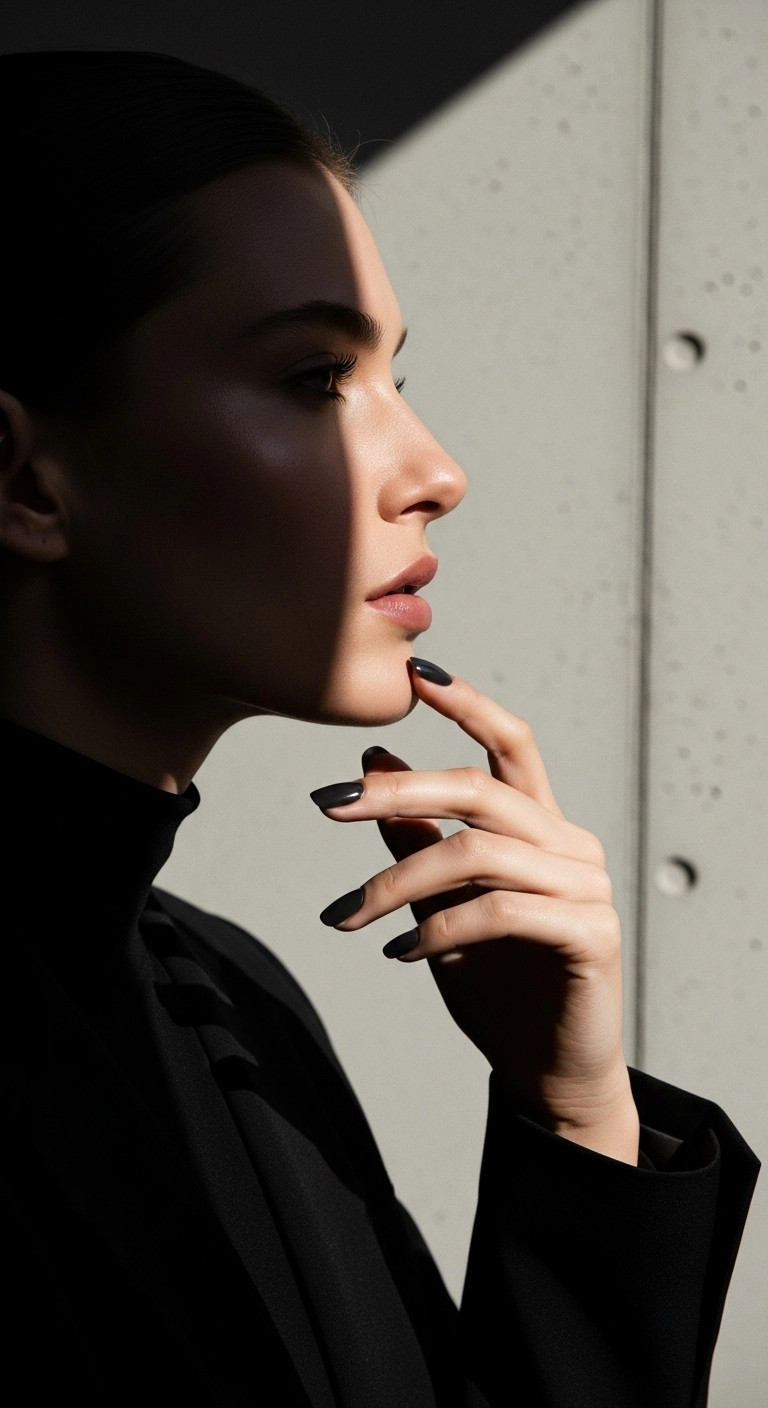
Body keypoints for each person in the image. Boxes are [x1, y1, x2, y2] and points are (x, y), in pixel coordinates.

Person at [0, 50, 758, 1408]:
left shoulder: (231, 1003)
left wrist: (576, 1115)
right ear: (24, 482)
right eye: (314, 377)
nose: (439, 473)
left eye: (393, 374)